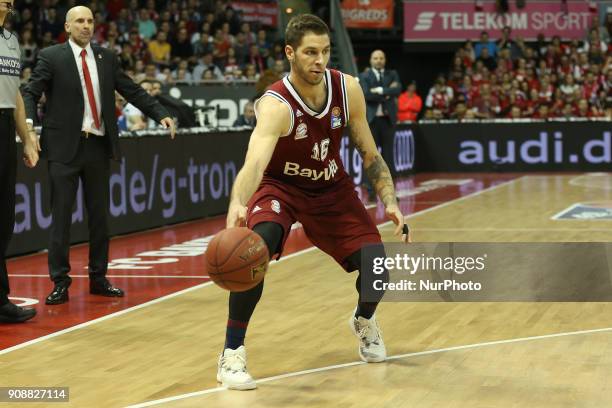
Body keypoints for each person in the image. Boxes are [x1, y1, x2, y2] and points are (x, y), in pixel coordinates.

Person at [218, 14, 410, 391]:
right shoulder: (275, 104)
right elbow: (255, 161)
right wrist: (238, 202)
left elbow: (370, 153)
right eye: (310, 52)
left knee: (379, 269)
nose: (319, 60)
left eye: (324, 51)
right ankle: (231, 353)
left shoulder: (347, 88)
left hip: (330, 188)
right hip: (280, 187)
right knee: (252, 253)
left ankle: (363, 320)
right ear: (290, 53)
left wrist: (391, 201)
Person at [23, 6, 175, 306]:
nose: (86, 26)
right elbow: (30, 92)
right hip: (64, 148)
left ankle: (99, 277)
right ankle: (60, 281)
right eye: (79, 21)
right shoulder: (51, 56)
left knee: (100, 218)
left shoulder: (107, 58)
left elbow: (132, 89)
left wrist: (161, 114)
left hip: (97, 146)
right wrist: (28, 127)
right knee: (61, 218)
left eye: (90, 21)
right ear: (67, 26)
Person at [0, 0, 39, 323]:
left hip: (4, 129)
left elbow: (14, 95)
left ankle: (0, 301)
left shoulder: (11, 40)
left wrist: (26, 137)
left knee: (3, 219)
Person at [359, 49, 401, 201]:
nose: (378, 60)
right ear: (371, 60)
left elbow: (398, 89)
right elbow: (365, 94)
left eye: (381, 58)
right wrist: (386, 95)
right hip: (371, 121)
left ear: (385, 60)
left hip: (387, 120)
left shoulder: (392, 74)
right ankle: (370, 191)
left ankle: (390, 194)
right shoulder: (364, 76)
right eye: (375, 58)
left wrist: (381, 90)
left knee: (389, 157)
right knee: (371, 157)